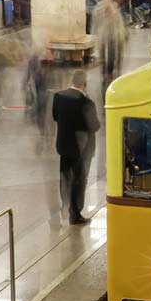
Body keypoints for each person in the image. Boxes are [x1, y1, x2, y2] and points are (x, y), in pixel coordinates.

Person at [52, 70, 100, 225]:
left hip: (63, 145)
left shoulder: (59, 97)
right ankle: (75, 213)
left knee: (65, 176)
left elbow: (55, 116)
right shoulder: (86, 102)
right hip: (81, 148)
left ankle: (64, 206)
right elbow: (94, 126)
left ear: (72, 81)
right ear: (84, 84)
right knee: (79, 179)